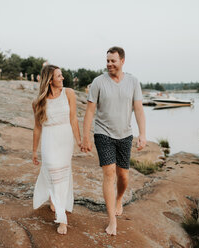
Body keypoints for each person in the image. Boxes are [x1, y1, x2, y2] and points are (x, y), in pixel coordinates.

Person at [81, 46, 146, 236]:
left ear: (122, 61)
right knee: (109, 173)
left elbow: (139, 110)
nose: (109, 64)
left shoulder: (133, 82)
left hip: (125, 135)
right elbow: (90, 111)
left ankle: (119, 199)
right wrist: (86, 136)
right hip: (104, 134)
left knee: (123, 176)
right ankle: (112, 220)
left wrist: (142, 134)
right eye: (107, 61)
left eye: (113, 61)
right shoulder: (98, 82)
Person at [32, 64, 81, 235]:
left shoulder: (69, 93)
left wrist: (80, 140)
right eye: (59, 76)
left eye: (61, 75)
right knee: (52, 169)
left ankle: (57, 203)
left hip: (65, 139)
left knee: (62, 176)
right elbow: (37, 128)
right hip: (49, 139)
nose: (62, 78)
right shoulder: (39, 102)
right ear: (50, 80)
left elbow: (73, 119)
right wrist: (34, 151)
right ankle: (62, 218)